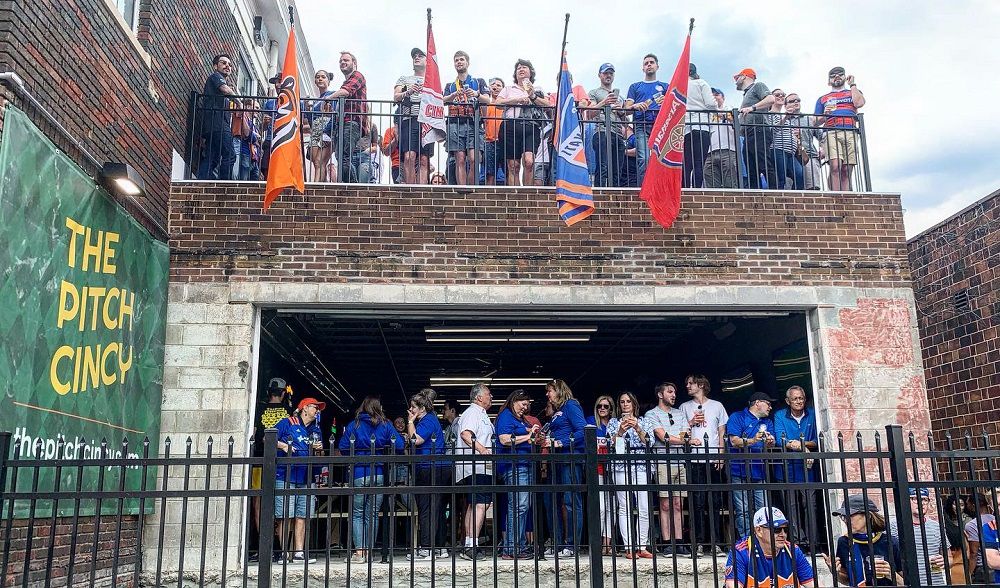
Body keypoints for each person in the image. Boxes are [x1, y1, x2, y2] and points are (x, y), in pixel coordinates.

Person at [337, 396, 404, 563]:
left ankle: (359, 552)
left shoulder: (355, 424)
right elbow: (400, 445)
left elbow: (343, 447)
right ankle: (369, 551)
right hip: (379, 472)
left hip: (359, 472)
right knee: (372, 514)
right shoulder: (386, 424)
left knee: (357, 513)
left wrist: (356, 453)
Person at [646, 381, 701, 556]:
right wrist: (685, 440)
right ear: (660, 395)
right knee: (665, 504)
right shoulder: (651, 414)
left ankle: (679, 541)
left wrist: (684, 438)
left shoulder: (679, 413)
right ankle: (667, 542)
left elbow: (686, 433)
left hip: (680, 462)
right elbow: (663, 436)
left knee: (678, 504)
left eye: (674, 392)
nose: (674, 395)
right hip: (663, 462)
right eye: (670, 392)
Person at [679, 374, 729, 555]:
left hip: (713, 458)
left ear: (701, 385)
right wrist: (691, 423)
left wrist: (721, 456)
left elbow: (721, 432)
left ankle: (715, 543)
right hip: (693, 459)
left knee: (714, 502)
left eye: (690, 383)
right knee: (697, 502)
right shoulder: (684, 407)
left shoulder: (717, 406)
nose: (687, 386)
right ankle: (698, 542)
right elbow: (680, 434)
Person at [274, 397, 325, 564]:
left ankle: (298, 553)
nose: (317, 411)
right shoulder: (287, 422)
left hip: (307, 476)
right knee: (285, 516)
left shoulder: (316, 430)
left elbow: (321, 456)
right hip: (286, 475)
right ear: (304, 408)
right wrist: (283, 446)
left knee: (302, 515)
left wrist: (319, 451)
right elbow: (267, 438)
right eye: (315, 407)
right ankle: (283, 553)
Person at [539, 379, 587, 556]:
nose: (547, 394)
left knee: (570, 500)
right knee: (551, 500)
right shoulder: (558, 411)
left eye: (549, 391)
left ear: (559, 391)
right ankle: (558, 543)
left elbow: (583, 430)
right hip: (556, 460)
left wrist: (561, 442)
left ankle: (572, 544)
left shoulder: (571, 405)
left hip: (569, 459)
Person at [607, 391, 656, 559]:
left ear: (634, 404)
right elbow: (609, 443)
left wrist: (637, 427)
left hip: (641, 467)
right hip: (621, 467)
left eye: (628, 401)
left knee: (643, 506)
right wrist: (620, 431)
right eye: (622, 402)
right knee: (625, 506)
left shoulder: (645, 421)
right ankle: (629, 547)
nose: (625, 404)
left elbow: (649, 442)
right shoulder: (613, 422)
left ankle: (642, 545)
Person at [773, 385, 820, 551]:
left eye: (801, 398)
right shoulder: (780, 415)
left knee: (811, 505)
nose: (799, 401)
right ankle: (799, 542)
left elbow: (818, 440)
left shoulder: (814, 415)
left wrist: (800, 444)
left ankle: (813, 543)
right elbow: (780, 440)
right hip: (786, 468)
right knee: (791, 506)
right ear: (788, 401)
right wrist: (802, 446)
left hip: (808, 469)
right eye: (795, 399)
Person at [250, 378, 292, 562]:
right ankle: (280, 548)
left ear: (269, 392)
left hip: (259, 462)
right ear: (283, 393)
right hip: (281, 464)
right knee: (280, 504)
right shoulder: (289, 412)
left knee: (259, 505)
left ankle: (263, 545)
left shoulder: (257, 410)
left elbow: (255, 434)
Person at [495, 389, 539, 559]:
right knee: (518, 506)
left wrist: (533, 434)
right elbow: (504, 439)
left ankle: (518, 545)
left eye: (527, 405)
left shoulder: (520, 419)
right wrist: (528, 436)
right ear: (514, 401)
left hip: (524, 465)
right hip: (514, 466)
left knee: (522, 506)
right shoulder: (506, 415)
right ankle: (512, 548)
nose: (525, 408)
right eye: (523, 404)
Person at [727, 392, 777, 539]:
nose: (770, 407)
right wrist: (753, 440)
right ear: (757, 403)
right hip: (739, 469)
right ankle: (747, 541)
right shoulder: (737, 417)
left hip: (759, 470)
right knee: (743, 510)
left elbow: (773, 442)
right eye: (768, 404)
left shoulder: (768, 422)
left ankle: (763, 541)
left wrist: (770, 441)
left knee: (763, 509)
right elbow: (734, 441)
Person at [726, 507, 814, 588]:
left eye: (785, 530)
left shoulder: (793, 550)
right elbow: (732, 585)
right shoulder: (741, 552)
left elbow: (813, 583)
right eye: (777, 530)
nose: (783, 534)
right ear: (758, 530)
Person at [455, 383, 495, 561]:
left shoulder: (480, 414)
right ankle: (472, 545)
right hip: (476, 465)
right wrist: (482, 450)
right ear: (479, 397)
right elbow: (466, 434)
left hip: (478, 466)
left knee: (475, 504)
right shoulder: (472, 412)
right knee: (480, 504)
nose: (491, 396)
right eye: (488, 394)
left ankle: (469, 543)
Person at [826, 495, 903, 586]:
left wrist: (891, 574)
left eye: (849, 515)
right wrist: (835, 572)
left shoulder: (890, 542)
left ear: (868, 515)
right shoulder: (844, 542)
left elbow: (907, 582)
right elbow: (847, 580)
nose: (845, 520)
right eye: (843, 516)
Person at [405, 388, 445, 561]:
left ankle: (427, 548)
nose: (411, 410)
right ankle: (437, 547)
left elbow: (416, 440)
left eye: (413, 407)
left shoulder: (427, 420)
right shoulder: (431, 420)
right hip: (434, 467)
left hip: (429, 467)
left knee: (426, 507)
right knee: (433, 507)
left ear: (422, 408)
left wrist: (410, 422)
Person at [495, 59, 549, 186]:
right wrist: (517, 99)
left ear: (531, 72)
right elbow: (497, 103)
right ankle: (516, 198)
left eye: (524, 67)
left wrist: (533, 96)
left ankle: (528, 196)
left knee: (529, 161)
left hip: (531, 126)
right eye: (518, 68)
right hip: (510, 125)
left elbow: (548, 105)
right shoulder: (508, 88)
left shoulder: (538, 89)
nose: (521, 69)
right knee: (513, 165)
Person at [815, 66, 865, 191]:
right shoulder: (823, 98)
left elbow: (859, 103)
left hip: (851, 131)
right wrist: (824, 115)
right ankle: (835, 197)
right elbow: (815, 122)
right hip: (831, 131)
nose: (837, 76)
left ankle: (846, 198)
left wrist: (853, 84)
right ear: (828, 81)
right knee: (835, 166)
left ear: (845, 76)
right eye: (833, 75)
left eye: (840, 74)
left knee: (847, 169)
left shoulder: (852, 92)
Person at [443, 51, 489, 185]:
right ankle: (462, 190)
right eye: (456, 60)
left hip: (473, 123)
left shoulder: (478, 82)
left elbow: (487, 100)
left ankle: (472, 190)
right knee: (460, 159)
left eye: (461, 60)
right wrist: (453, 95)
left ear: (467, 63)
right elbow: (442, 101)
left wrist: (476, 94)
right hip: (455, 123)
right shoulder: (450, 86)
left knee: (475, 158)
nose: (459, 62)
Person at [888, 488, 949, 586]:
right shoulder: (894, 526)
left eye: (925, 499)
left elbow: (949, 557)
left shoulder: (936, 526)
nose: (922, 503)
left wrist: (944, 561)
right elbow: (889, 560)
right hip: (908, 583)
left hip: (936, 583)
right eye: (916, 499)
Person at [624, 54, 667, 184]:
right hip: (641, 125)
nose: (649, 65)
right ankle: (643, 188)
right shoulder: (635, 86)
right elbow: (626, 108)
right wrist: (635, 105)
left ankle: (659, 187)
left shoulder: (666, 86)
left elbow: (674, 107)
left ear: (657, 66)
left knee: (661, 158)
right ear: (643, 68)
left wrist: (667, 103)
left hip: (661, 126)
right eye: (646, 63)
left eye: (651, 62)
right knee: (643, 158)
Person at [394, 48, 434, 185]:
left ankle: (422, 190)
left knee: (424, 159)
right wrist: (409, 92)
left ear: (427, 61)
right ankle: (410, 190)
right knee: (409, 156)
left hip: (427, 121)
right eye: (414, 56)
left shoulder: (432, 80)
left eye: (420, 56)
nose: (416, 58)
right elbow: (396, 97)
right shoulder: (404, 79)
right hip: (409, 119)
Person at [328, 51, 367, 183]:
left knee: (344, 157)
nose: (343, 62)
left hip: (352, 122)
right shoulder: (348, 80)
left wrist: (326, 99)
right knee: (341, 156)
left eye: (346, 60)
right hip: (345, 123)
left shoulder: (357, 75)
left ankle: (352, 187)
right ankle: (350, 186)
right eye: (341, 61)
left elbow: (345, 91)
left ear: (354, 63)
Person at [197, 54, 237, 180]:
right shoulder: (215, 77)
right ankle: (225, 184)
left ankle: (201, 182)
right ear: (215, 66)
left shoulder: (218, 80)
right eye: (223, 63)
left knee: (212, 157)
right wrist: (239, 102)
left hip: (213, 125)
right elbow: (226, 90)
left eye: (229, 65)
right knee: (230, 155)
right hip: (217, 123)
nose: (227, 66)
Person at [733, 68, 775, 189]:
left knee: (763, 163)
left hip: (759, 130)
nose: (736, 81)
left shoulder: (758, 86)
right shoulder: (746, 94)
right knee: (751, 167)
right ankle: (754, 196)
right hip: (749, 133)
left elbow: (771, 99)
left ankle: (775, 192)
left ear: (744, 76)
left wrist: (752, 108)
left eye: (737, 77)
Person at [587, 63, 627, 188]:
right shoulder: (594, 92)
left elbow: (626, 120)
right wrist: (605, 102)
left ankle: (616, 199)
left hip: (618, 134)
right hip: (601, 131)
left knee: (617, 170)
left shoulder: (620, 97)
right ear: (600, 75)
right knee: (602, 166)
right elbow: (589, 113)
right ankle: (600, 194)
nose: (608, 75)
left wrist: (620, 110)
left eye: (611, 73)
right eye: (605, 73)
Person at [588, 395, 616, 555]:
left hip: (612, 469)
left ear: (611, 408)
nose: (602, 409)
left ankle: (608, 543)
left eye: (606, 406)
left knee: (611, 507)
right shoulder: (591, 422)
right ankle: (597, 543)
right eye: (599, 406)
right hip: (596, 469)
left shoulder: (615, 424)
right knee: (600, 507)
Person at [684, 63, 716, 189]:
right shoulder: (701, 83)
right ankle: (696, 189)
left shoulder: (680, 86)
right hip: (702, 125)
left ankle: (685, 189)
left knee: (687, 163)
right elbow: (710, 104)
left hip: (686, 127)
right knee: (699, 162)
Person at [784, 93, 825, 190]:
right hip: (789, 158)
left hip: (809, 156)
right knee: (790, 191)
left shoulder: (809, 119)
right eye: (792, 101)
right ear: (785, 106)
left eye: (798, 100)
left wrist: (823, 150)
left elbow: (822, 136)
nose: (796, 102)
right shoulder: (782, 120)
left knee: (812, 188)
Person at [766, 89, 804, 190]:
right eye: (777, 95)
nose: (781, 96)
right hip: (777, 150)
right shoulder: (768, 114)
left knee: (800, 175)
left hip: (790, 152)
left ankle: (795, 200)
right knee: (780, 178)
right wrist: (785, 118)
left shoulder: (785, 115)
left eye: (783, 95)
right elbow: (772, 130)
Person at [703, 88, 739, 189]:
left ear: (723, 97)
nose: (714, 97)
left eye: (717, 94)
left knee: (730, 183)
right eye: (712, 95)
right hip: (709, 152)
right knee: (710, 181)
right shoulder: (707, 113)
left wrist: (725, 116)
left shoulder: (730, 109)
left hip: (728, 150)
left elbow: (738, 126)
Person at [306, 70, 335, 182]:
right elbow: (311, 122)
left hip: (327, 129)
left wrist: (329, 132)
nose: (320, 79)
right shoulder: (315, 100)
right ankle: (322, 184)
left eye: (323, 77)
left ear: (328, 80)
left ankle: (317, 187)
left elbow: (334, 114)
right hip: (315, 130)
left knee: (320, 161)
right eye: (318, 77)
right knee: (316, 163)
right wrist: (308, 111)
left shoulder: (332, 95)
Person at [964, 492, 996, 583]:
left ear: (973, 505)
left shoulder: (972, 525)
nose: (967, 507)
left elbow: (974, 553)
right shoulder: (995, 519)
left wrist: (968, 574)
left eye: (967, 504)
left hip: (983, 569)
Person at [481, 78, 506, 185]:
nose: (496, 87)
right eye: (493, 85)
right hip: (489, 141)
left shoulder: (507, 105)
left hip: (505, 141)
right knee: (489, 173)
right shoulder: (486, 104)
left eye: (499, 85)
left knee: (510, 170)